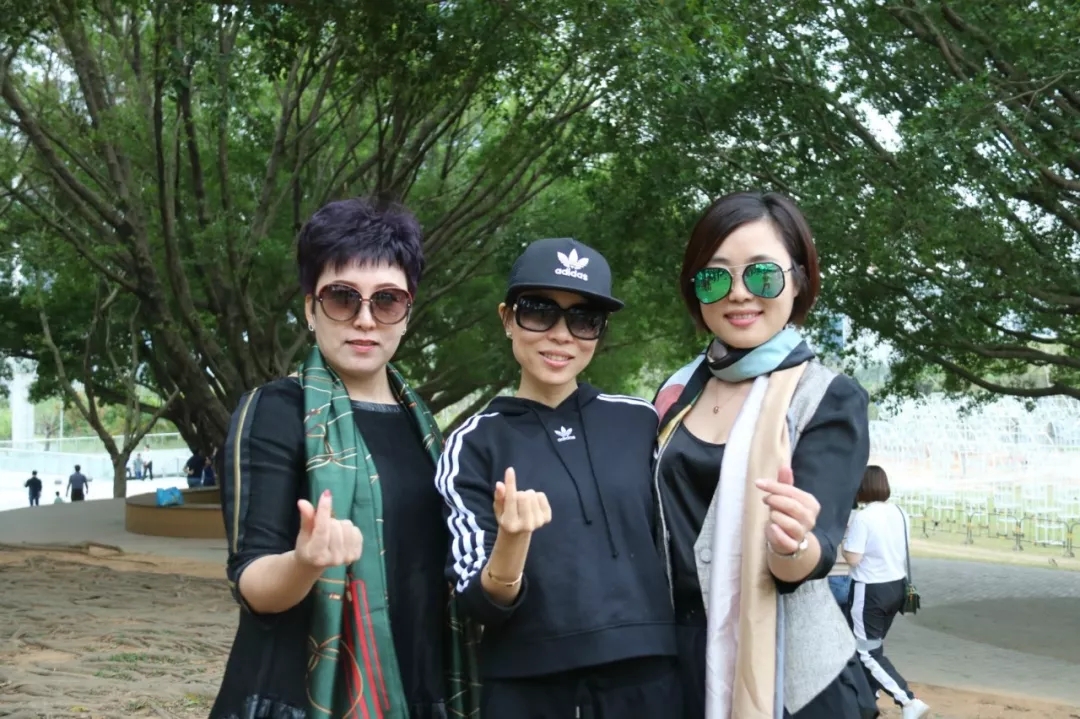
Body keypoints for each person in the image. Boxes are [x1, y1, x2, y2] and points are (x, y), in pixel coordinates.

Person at [210, 197, 480, 719]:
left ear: (407, 312)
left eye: (387, 301)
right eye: (342, 298)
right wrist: (305, 562)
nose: (365, 319)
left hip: (416, 687)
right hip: (301, 696)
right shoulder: (275, 410)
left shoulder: (425, 429)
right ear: (310, 309)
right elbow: (253, 583)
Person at [652, 191, 877, 718]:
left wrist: (792, 543)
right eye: (715, 277)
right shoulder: (674, 393)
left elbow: (817, 548)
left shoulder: (826, 396)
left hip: (790, 677)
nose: (738, 293)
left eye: (761, 275)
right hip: (679, 662)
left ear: (798, 281)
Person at [435, 238, 682, 717]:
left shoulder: (640, 422)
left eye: (584, 319)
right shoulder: (472, 443)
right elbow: (477, 600)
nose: (562, 335)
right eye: (539, 312)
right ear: (507, 319)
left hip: (650, 674)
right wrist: (512, 541)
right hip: (526, 685)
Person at [843, 466, 929, 719]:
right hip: (896, 587)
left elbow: (853, 558)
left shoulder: (863, 518)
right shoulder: (900, 513)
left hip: (869, 590)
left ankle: (908, 700)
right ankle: (867, 700)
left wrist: (844, 544)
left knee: (866, 652)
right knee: (869, 648)